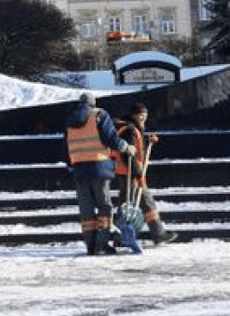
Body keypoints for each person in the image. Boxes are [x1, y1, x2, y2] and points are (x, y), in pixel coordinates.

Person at [63, 93, 134, 255]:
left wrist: (70, 165)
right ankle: (101, 244)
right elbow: (111, 138)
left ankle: (90, 244)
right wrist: (126, 147)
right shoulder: (99, 114)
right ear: (93, 104)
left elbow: (65, 146)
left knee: (86, 208)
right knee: (104, 206)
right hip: (99, 166)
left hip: (79, 168)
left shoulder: (69, 119)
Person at [114, 103, 176, 245]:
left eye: (146, 115)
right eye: (141, 115)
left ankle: (123, 237)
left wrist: (147, 141)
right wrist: (137, 173)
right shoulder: (130, 130)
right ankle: (157, 234)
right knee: (138, 204)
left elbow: (137, 148)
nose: (144, 118)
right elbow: (128, 154)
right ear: (134, 115)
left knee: (133, 204)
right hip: (131, 173)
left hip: (130, 172)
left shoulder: (133, 129)